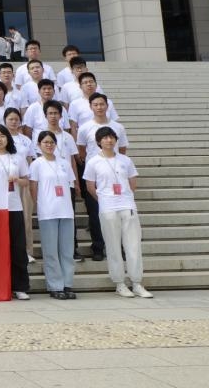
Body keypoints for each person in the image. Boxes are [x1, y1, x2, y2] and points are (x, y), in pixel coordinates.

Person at [84, 127, 152, 298]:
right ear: (99, 141)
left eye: (112, 137)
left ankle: (136, 282)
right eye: (105, 138)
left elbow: (132, 182)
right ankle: (119, 283)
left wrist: (126, 197)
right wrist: (103, 199)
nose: (109, 140)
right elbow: (90, 186)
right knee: (113, 246)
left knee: (133, 245)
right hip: (107, 207)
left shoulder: (125, 160)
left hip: (127, 205)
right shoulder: (93, 162)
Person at [0, 124, 31, 300]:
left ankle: (20, 287)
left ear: (8, 138)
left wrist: (17, 180)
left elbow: (27, 181)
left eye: (2, 136)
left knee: (18, 248)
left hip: (14, 206)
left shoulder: (18, 157)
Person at [29, 130, 77, 299]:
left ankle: (67, 283)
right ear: (39, 145)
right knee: (51, 251)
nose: (49, 145)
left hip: (66, 210)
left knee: (67, 250)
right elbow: (33, 188)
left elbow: (70, 185)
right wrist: (38, 205)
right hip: (48, 211)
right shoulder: (36, 164)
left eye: (52, 142)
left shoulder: (64, 163)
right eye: (45, 142)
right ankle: (55, 285)